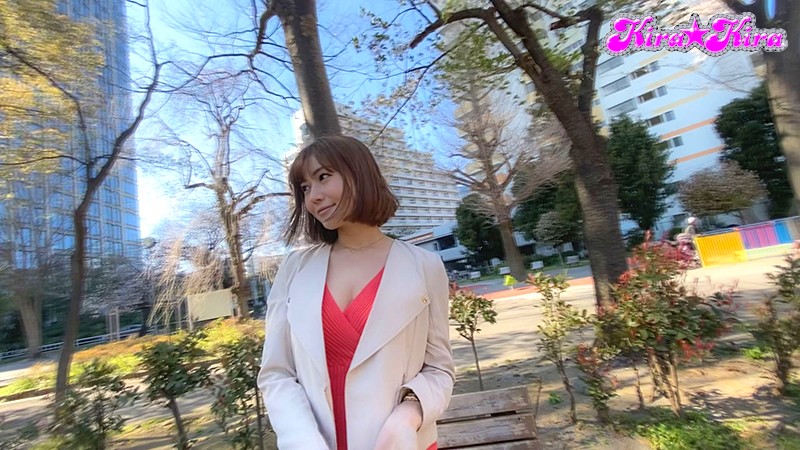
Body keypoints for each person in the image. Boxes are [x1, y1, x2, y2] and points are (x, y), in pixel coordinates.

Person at [258, 135, 455, 450]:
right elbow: (276, 373)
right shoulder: (294, 269)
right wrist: (304, 441)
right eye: (305, 188)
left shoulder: (424, 266)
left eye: (323, 177)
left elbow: (439, 369)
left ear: (359, 173)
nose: (314, 196)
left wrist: (408, 414)